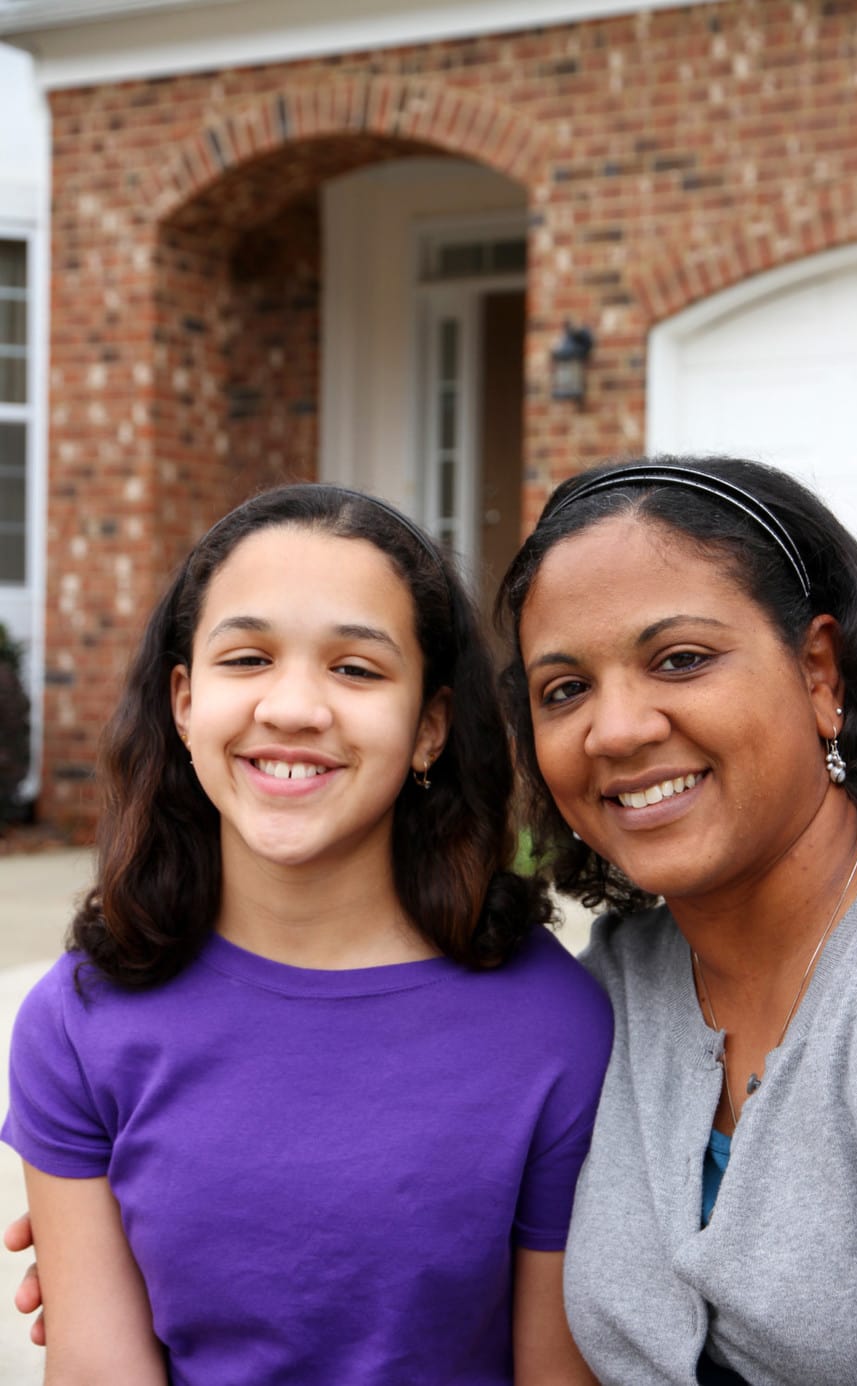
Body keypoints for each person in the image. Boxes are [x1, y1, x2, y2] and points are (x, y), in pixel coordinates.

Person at [1, 482, 611, 1385]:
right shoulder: (79, 1023)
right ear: (183, 700)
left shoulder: (554, 1026)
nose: (291, 708)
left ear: (430, 728)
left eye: (356, 669)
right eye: (246, 659)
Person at [496, 455, 857, 1385]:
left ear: (819, 673)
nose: (615, 730)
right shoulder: (610, 990)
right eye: (563, 690)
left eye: (681, 660)